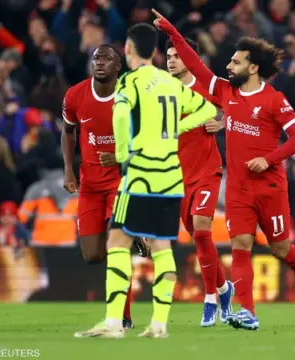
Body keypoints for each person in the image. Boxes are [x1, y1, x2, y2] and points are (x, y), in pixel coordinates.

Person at [153, 9, 295, 331]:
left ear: (254, 68)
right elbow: (196, 66)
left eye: (236, 62)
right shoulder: (225, 92)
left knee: (280, 248)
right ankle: (248, 312)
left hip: (270, 187)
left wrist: (269, 159)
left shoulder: (274, 100)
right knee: (240, 247)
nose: (229, 66)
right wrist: (172, 31)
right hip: (238, 187)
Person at [75, 23, 218, 339]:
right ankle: (159, 324)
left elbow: (122, 117)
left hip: (140, 176)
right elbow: (208, 107)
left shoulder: (131, 83)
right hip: (171, 178)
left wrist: (126, 153)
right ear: (155, 51)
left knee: (117, 243)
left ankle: (114, 323)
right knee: (162, 248)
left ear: (127, 49)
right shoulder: (169, 82)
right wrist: (177, 130)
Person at [61, 44, 150, 329]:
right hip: (89, 184)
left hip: (122, 181)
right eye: (96, 57)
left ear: (118, 67)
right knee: (93, 256)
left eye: (107, 58)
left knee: (116, 244)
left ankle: (122, 316)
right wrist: (68, 170)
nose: (100, 62)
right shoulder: (75, 95)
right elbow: (68, 130)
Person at [165, 37, 234, 327]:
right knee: (198, 238)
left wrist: (221, 121)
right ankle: (224, 288)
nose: (171, 60)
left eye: (177, 56)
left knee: (203, 232)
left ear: (189, 58)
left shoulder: (207, 87)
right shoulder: (161, 92)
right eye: (168, 56)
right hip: (179, 177)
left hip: (207, 170)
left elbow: (235, 107)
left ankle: (209, 300)